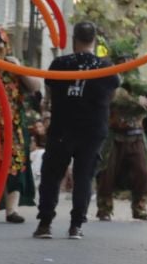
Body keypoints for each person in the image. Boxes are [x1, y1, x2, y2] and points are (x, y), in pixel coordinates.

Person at [35, 22, 120, 240]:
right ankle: (76, 225)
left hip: (62, 126)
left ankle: (45, 223)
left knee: (52, 175)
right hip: (92, 128)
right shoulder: (105, 67)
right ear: (95, 40)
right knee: (84, 176)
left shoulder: (60, 64)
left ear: (74, 40)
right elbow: (112, 95)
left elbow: (49, 93)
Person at [0, 27, 38, 225]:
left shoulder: (12, 67)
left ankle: (12, 210)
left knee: (14, 167)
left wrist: (18, 68)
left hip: (12, 129)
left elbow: (35, 87)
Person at [96, 77, 147, 221]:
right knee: (107, 173)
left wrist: (145, 101)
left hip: (137, 135)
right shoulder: (114, 82)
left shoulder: (145, 87)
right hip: (114, 137)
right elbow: (114, 100)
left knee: (142, 173)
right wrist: (136, 101)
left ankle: (139, 208)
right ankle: (104, 208)